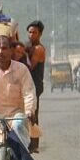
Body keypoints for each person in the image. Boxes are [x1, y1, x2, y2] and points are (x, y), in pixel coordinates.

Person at [25, 20, 46, 152]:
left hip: (35, 86)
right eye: (30, 32)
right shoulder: (30, 47)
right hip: (28, 85)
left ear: (40, 34)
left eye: (34, 32)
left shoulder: (38, 49)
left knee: (32, 114)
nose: (31, 35)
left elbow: (29, 66)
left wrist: (22, 53)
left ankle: (34, 144)